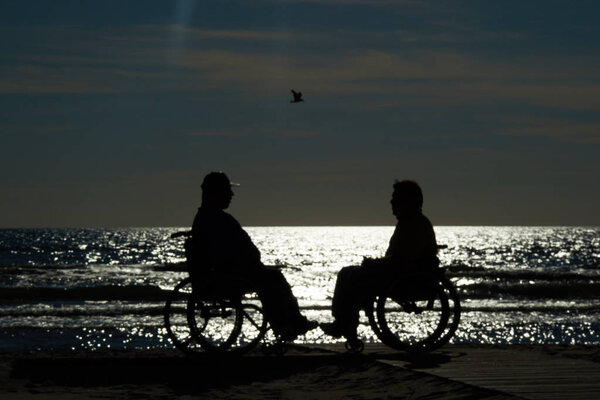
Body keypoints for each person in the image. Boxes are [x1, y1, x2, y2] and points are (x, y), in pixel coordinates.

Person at [189, 171, 317, 341]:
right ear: (215, 193)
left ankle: (290, 323)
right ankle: (287, 325)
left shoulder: (206, 219)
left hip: (223, 274)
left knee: (271, 278)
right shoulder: (218, 220)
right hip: (227, 277)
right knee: (272, 279)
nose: (231, 195)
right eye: (227, 191)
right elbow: (235, 252)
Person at [321, 180, 438, 344]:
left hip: (405, 278)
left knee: (353, 277)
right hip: (397, 273)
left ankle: (345, 323)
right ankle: (343, 322)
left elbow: (403, 259)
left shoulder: (415, 225)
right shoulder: (408, 222)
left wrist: (376, 264)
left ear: (408, 201)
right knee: (346, 272)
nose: (391, 202)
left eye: (396, 198)